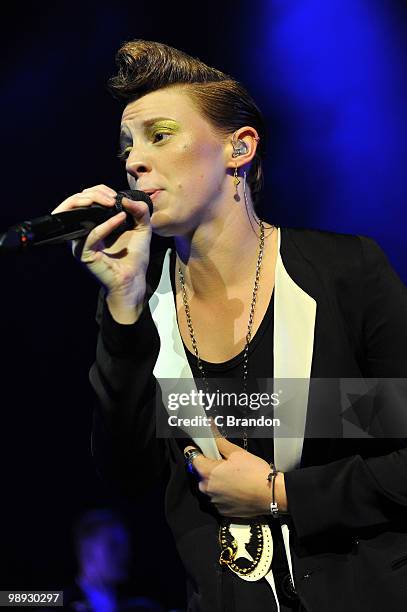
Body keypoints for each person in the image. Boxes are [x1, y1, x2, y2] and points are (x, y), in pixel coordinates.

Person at [52, 40, 407, 612]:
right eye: (127, 147)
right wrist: (123, 303)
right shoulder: (143, 308)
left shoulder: (343, 274)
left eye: (159, 135)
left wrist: (284, 494)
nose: (134, 161)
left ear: (237, 149)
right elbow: (126, 475)